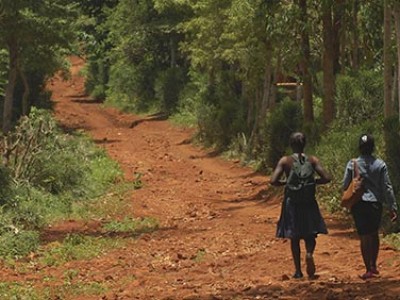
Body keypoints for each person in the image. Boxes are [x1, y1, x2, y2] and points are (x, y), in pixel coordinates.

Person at [270, 132, 331, 279]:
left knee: (294, 237)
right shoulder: (312, 160)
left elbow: (273, 180)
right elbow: (327, 178)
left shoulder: (285, 161)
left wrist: (287, 184)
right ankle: (309, 253)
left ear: (291, 145)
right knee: (310, 233)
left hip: (292, 203)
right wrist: (312, 182)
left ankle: (298, 271)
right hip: (309, 202)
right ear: (304, 144)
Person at [342, 133, 398, 280]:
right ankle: (373, 266)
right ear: (373, 148)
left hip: (359, 204)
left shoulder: (352, 163)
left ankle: (368, 269)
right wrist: (392, 206)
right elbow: (387, 187)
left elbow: (345, 185)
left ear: (359, 148)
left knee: (364, 236)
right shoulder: (380, 164)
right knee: (373, 233)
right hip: (375, 204)